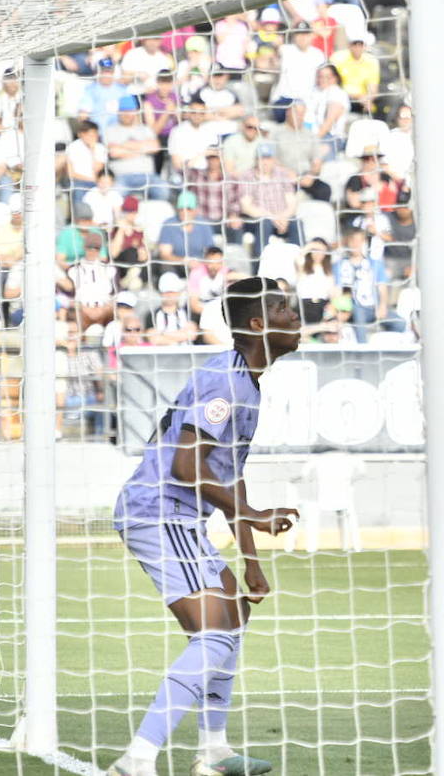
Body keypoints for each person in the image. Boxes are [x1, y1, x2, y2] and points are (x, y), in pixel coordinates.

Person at [105, 278, 300, 776]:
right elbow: (185, 470)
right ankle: (138, 758)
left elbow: (228, 476)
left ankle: (213, 751)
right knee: (213, 633)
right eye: (282, 308)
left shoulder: (246, 383)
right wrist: (256, 516)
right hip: (158, 511)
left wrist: (252, 561)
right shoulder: (224, 381)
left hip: (182, 519)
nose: (294, 314)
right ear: (257, 324)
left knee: (233, 615)